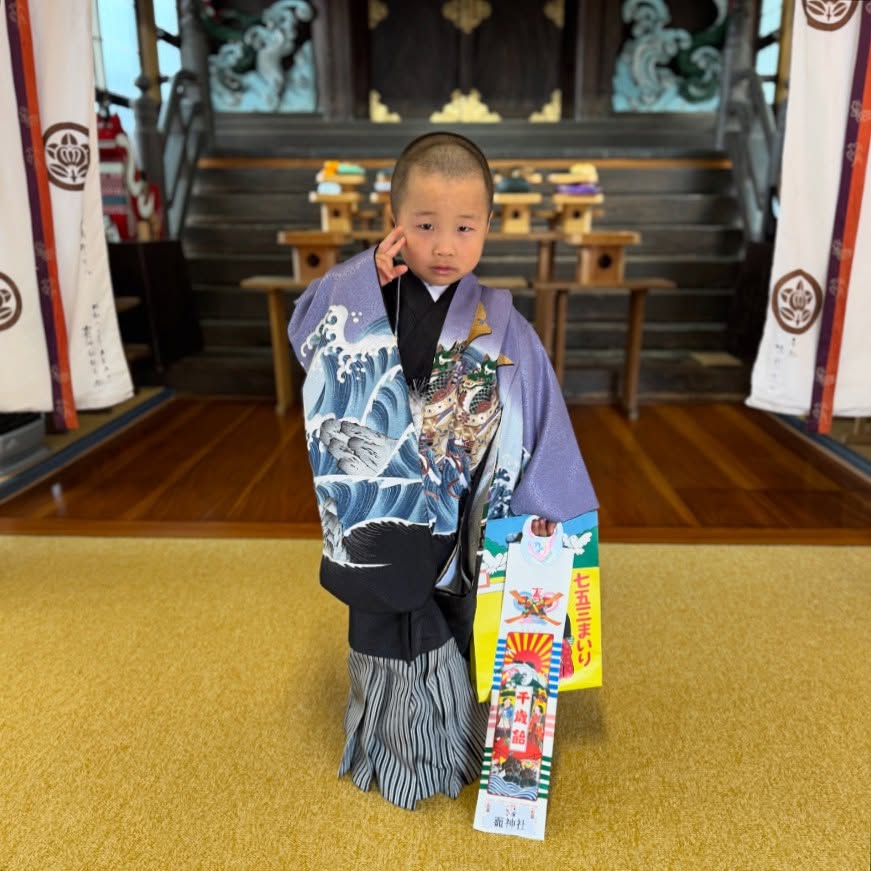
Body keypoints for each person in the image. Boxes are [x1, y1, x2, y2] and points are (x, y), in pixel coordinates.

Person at [287, 132, 597, 811]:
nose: (444, 245)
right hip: (390, 508)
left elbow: (539, 416)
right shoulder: (361, 291)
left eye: (464, 227)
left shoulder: (504, 323)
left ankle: (463, 742)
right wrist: (362, 273)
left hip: (467, 512)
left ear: (488, 225)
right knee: (390, 621)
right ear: (394, 221)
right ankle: (401, 756)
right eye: (425, 226)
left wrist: (551, 510)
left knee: (464, 623)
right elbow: (309, 331)